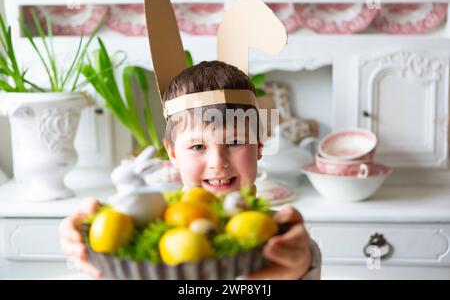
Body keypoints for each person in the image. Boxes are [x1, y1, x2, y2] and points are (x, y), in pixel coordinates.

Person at [59, 60, 321, 280]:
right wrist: (86, 235)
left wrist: (303, 263)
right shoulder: (151, 227)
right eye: (197, 146)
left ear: (259, 146)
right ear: (172, 152)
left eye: (234, 141)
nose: (218, 161)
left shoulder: (274, 234)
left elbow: (300, 259)